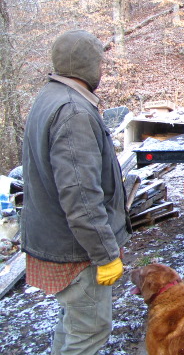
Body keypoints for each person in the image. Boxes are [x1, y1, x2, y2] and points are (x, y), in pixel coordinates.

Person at [21, 30, 132, 355]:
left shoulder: (49, 97)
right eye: (99, 62)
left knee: (73, 324)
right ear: (86, 65)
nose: (102, 69)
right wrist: (105, 255)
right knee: (89, 331)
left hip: (60, 240)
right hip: (76, 251)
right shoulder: (73, 112)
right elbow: (81, 198)